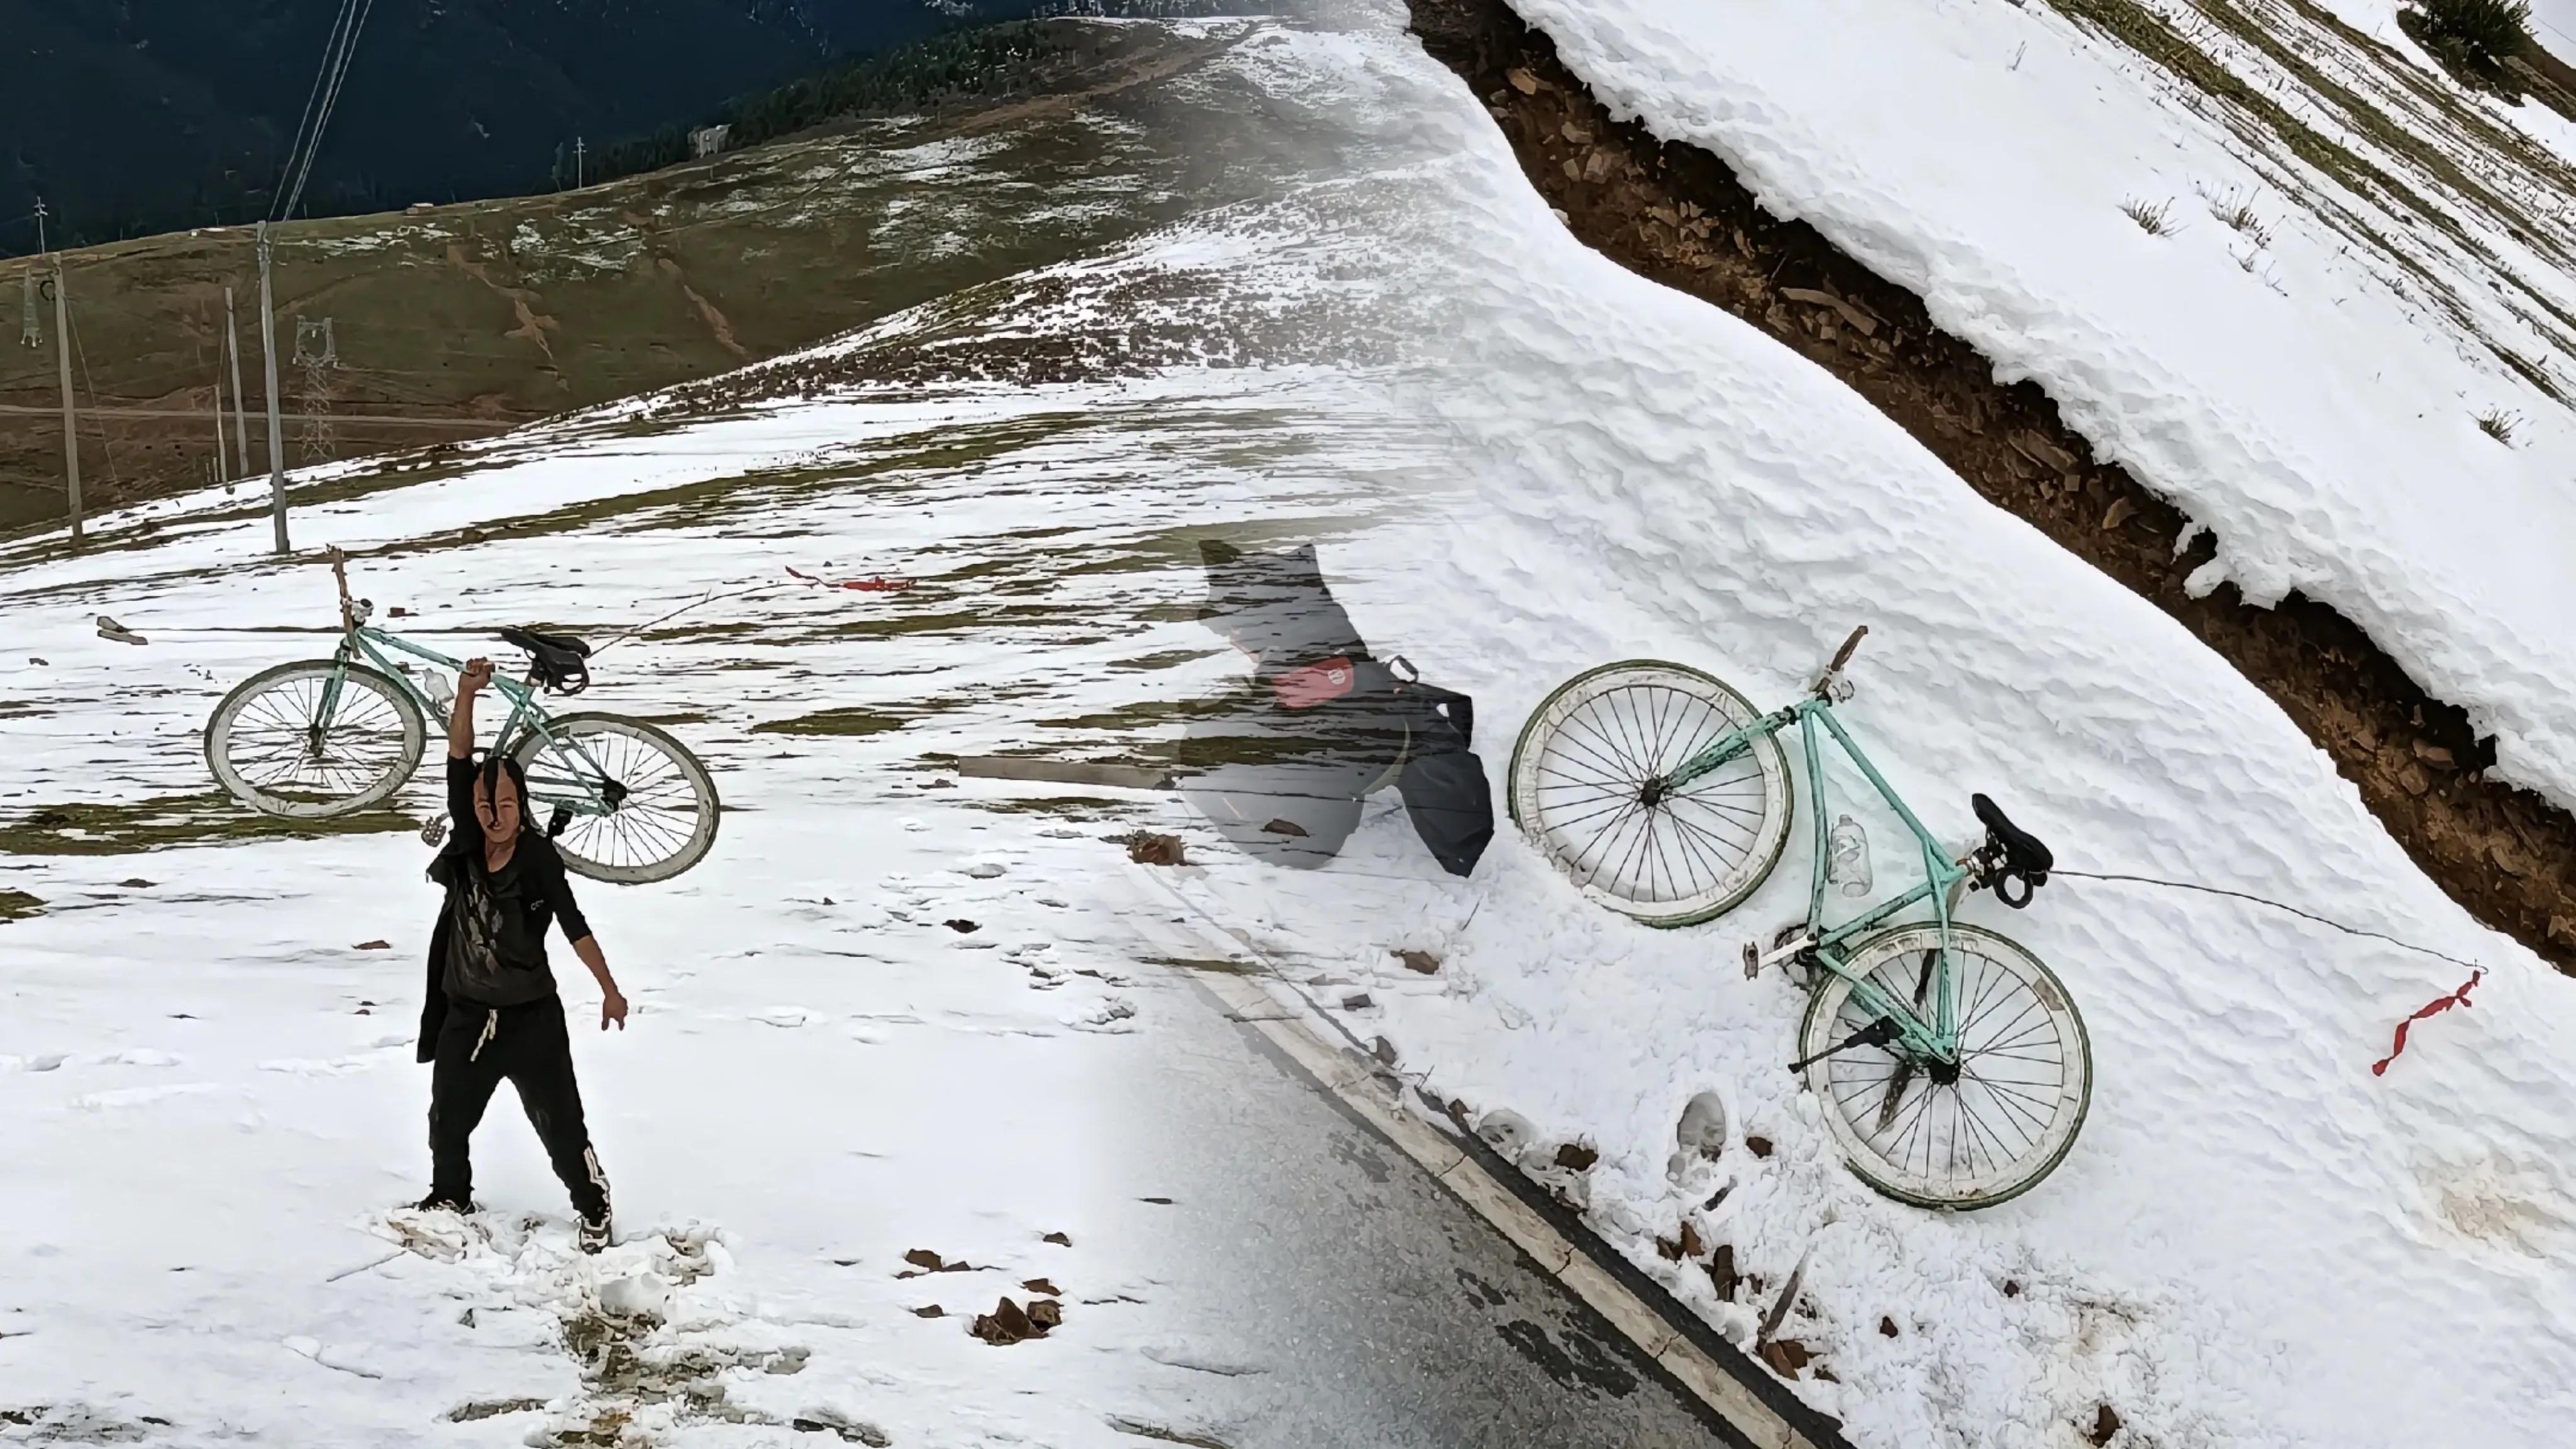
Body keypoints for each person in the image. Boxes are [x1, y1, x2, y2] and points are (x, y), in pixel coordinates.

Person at [414, 656, 628, 1253]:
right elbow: (459, 756)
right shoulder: (467, 836)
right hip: (466, 1013)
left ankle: (593, 1205)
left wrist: (609, 988)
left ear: (522, 803)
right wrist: (465, 694)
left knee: (561, 1127)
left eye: (506, 805)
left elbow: (574, 925)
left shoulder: (538, 858)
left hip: (532, 1018)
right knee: (447, 1118)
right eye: (485, 807)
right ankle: (450, 1196)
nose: (494, 816)